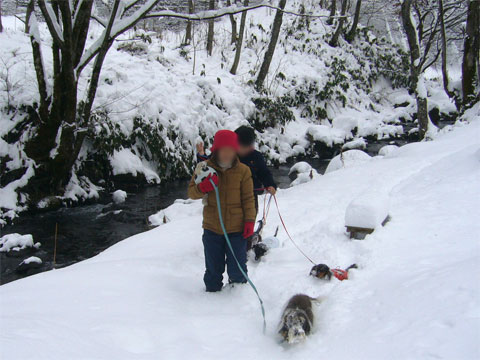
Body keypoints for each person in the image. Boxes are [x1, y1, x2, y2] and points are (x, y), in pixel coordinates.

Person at [188, 130, 256, 292]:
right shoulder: (204, 168)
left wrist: (250, 221)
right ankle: (211, 299)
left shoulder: (243, 171)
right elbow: (191, 193)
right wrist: (203, 187)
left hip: (236, 229)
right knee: (213, 269)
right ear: (216, 150)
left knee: (237, 268)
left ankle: (237, 297)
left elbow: (248, 199)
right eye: (224, 150)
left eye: (231, 150)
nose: (227, 154)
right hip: (212, 228)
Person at [197, 125, 277, 214]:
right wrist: (201, 155)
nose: (251, 148)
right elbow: (207, 168)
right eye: (246, 146)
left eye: (251, 145)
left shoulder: (256, 157)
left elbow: (264, 173)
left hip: (250, 199)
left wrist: (271, 185)